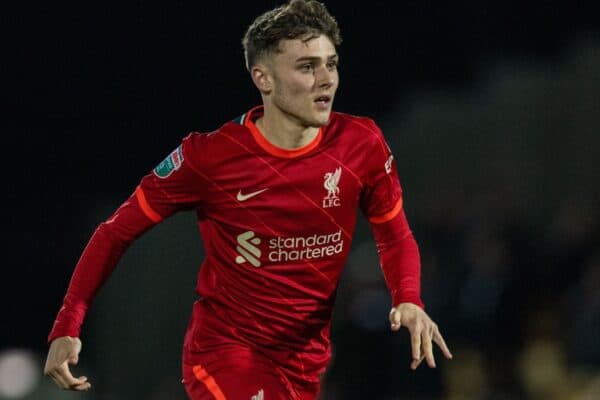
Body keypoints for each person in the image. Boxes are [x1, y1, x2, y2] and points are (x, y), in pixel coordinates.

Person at [44, 0, 453, 398]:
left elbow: (393, 235)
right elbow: (115, 232)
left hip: (306, 364)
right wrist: (68, 324)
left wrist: (409, 300)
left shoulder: (361, 144)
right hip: (227, 354)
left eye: (331, 63)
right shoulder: (210, 157)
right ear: (264, 79)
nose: (326, 78)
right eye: (307, 67)